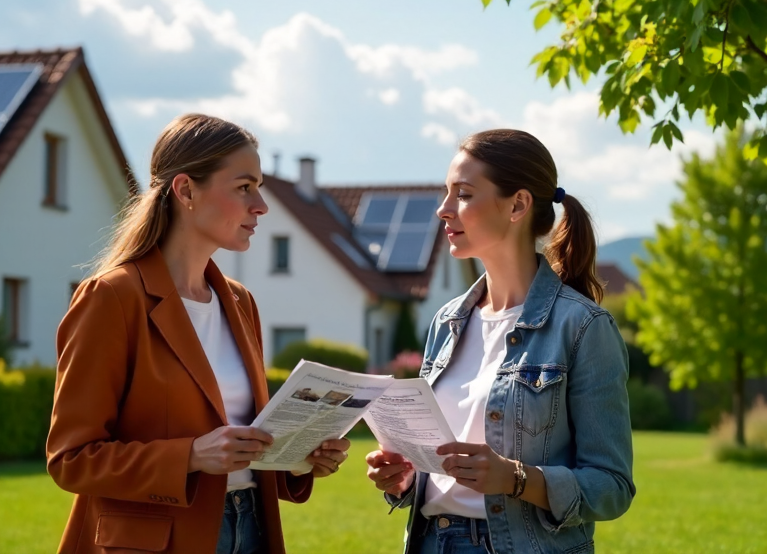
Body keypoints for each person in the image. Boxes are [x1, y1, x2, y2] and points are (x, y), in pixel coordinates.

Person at [47, 113, 351, 554]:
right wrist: (190, 455)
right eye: (244, 187)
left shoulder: (240, 302)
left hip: (252, 529)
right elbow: (71, 460)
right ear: (186, 190)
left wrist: (300, 459)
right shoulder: (112, 297)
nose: (261, 205)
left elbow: (239, 443)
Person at [365, 129, 635, 554]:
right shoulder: (447, 321)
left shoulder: (583, 327)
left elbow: (612, 486)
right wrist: (405, 477)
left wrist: (515, 479)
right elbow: (436, 467)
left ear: (518, 205)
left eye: (464, 194)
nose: (443, 209)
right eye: (446, 193)